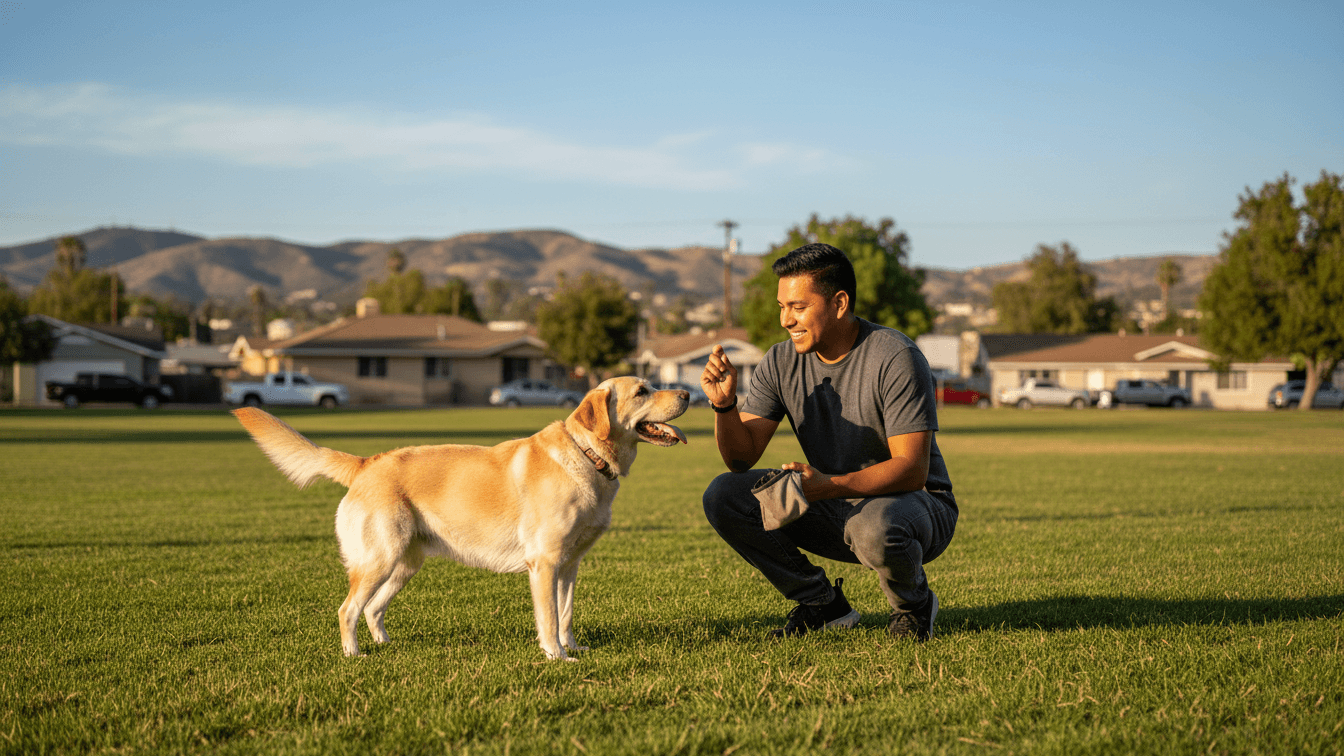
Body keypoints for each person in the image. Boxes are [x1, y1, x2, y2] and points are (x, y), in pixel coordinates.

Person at [700, 243, 956, 641]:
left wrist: (827, 486)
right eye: (782, 306)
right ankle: (822, 604)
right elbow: (741, 458)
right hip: (833, 497)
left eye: (798, 307)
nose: (786, 319)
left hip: (916, 505)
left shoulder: (894, 355)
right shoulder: (781, 361)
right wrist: (725, 406)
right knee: (726, 495)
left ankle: (914, 605)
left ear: (839, 303)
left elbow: (912, 469)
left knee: (874, 526)